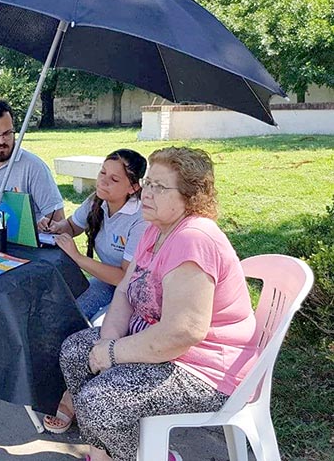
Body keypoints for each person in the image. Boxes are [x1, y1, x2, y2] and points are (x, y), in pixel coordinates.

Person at [59, 147, 257, 461]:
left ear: (190, 197)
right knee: (74, 353)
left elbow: (183, 332)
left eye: (159, 187)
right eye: (148, 183)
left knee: (100, 399)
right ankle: (107, 451)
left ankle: (140, 455)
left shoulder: (194, 239)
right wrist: (109, 339)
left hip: (204, 368)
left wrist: (112, 353)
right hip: (160, 345)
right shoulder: (155, 228)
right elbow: (124, 290)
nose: (147, 193)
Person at [39, 149, 148, 434]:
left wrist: (78, 258)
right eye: (102, 173)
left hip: (134, 291)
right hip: (104, 282)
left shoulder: (140, 218)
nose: (103, 182)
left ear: (133, 187)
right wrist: (53, 227)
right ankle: (61, 382)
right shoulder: (96, 201)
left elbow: (125, 276)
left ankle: (72, 401)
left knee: (95, 333)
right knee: (69, 315)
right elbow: (72, 226)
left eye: (114, 179)